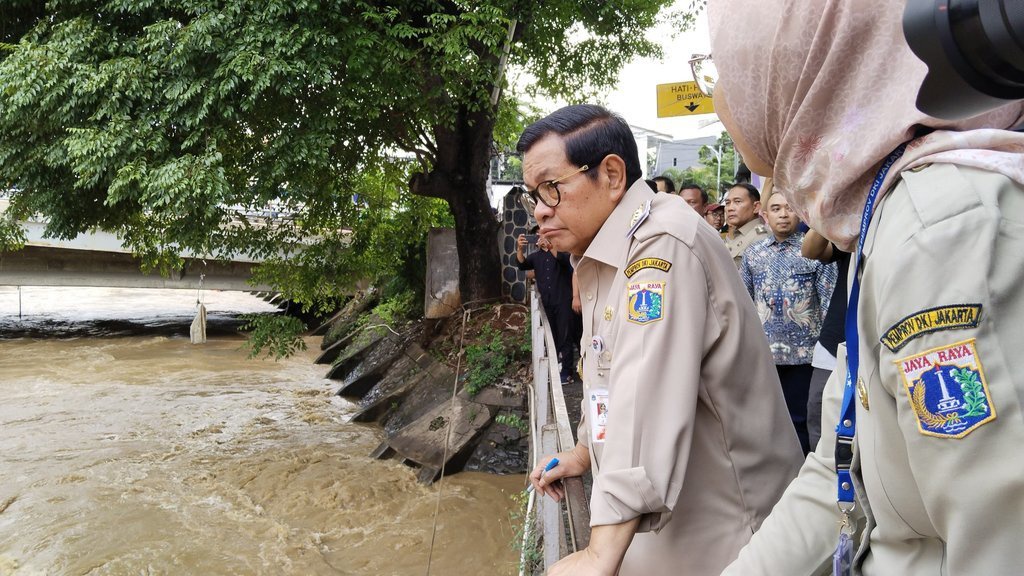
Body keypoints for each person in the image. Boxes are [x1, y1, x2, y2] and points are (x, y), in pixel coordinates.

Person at [708, 0, 1024, 574]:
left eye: (722, 69)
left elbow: (1000, 542)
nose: (719, 96)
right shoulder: (881, 215)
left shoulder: (939, 231)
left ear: (800, 66)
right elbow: (837, 466)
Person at [517, 104, 802, 575]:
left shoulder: (661, 245)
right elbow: (608, 370)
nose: (541, 210)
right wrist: (586, 449)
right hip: (672, 524)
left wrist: (599, 553)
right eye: (535, 196)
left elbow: (642, 395)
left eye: (551, 188)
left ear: (611, 175)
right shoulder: (608, 253)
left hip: (728, 529)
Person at [740, 193, 836, 454]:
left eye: (789, 208)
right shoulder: (753, 255)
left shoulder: (816, 252)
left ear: (800, 214)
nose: (783, 214)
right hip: (765, 357)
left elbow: (828, 302)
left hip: (805, 357)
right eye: (776, 208)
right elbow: (745, 304)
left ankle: (802, 476)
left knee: (804, 422)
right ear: (765, 215)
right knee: (767, 423)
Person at [802, 228, 850, 450]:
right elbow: (810, 250)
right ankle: (822, 481)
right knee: (820, 414)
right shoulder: (858, 221)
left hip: (883, 341)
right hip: (835, 341)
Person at [517, 229, 579, 385]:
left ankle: (567, 373)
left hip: (563, 300)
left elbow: (566, 262)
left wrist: (550, 247)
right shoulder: (536, 257)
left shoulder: (561, 252)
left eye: (542, 234)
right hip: (547, 302)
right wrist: (519, 248)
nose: (540, 237)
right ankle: (556, 368)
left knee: (566, 335)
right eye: (538, 235)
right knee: (552, 337)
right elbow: (522, 265)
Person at [722, 182, 768, 266]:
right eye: (727, 203)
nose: (730, 208)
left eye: (737, 201)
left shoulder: (762, 237)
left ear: (756, 207)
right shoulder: (735, 234)